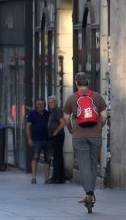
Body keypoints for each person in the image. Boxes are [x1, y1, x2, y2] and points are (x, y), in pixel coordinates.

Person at [63, 72, 108, 206]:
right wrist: (99, 126)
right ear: (87, 82)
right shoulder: (97, 97)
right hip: (96, 135)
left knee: (84, 165)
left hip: (79, 135)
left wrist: (71, 129)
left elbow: (66, 118)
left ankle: (89, 194)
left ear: (76, 83)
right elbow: (104, 116)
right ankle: (91, 194)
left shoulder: (71, 98)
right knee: (93, 164)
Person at [26, 98, 51, 184]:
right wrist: (29, 139)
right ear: (37, 105)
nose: (41, 106)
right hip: (36, 140)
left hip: (47, 139)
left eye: (42, 104)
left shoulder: (48, 114)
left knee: (47, 159)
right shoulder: (32, 114)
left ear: (45, 105)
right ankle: (33, 177)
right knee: (35, 157)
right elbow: (28, 126)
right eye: (39, 104)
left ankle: (47, 178)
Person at [46, 95, 66, 184]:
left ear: (56, 103)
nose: (50, 104)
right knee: (58, 157)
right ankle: (60, 177)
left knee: (57, 157)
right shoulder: (52, 111)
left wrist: (55, 132)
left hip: (57, 136)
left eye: (52, 102)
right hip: (55, 136)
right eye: (49, 102)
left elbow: (62, 123)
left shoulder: (57, 111)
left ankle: (56, 178)